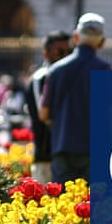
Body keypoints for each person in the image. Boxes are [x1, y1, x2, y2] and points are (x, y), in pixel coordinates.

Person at [40, 12, 112, 184]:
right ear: (102, 42)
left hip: (62, 146)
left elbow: (43, 114)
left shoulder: (55, 71)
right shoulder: (106, 71)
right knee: (94, 198)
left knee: (62, 199)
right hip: (95, 148)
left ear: (76, 37)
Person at [23, 30, 72, 183]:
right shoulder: (41, 78)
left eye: (69, 52)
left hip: (65, 154)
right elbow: (43, 115)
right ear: (46, 54)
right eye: (59, 52)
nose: (65, 56)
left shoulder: (67, 77)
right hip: (46, 155)